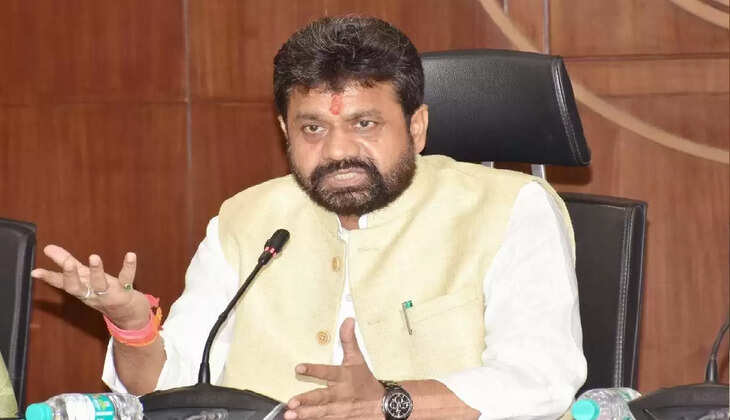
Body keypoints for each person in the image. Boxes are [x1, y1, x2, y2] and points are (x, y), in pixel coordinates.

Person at [32, 16, 586, 420]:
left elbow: (540, 381)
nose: (338, 151)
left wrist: (389, 402)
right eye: (313, 128)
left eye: (365, 125)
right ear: (285, 132)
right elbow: (170, 390)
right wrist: (132, 327)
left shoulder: (511, 207)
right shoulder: (246, 220)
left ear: (416, 127)